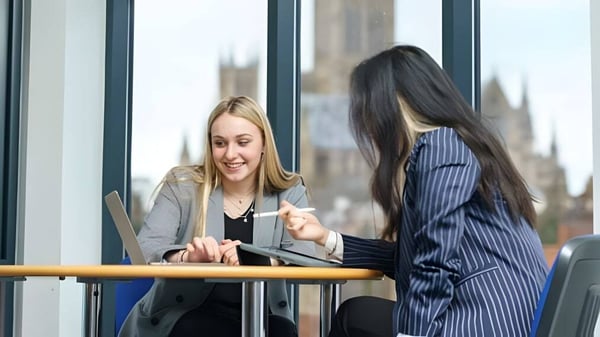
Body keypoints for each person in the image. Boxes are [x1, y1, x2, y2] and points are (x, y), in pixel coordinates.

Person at [279, 45, 549, 337]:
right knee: (357, 313)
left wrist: (413, 335)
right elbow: (420, 252)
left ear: (393, 106)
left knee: (354, 315)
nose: (369, 127)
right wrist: (324, 237)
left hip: (482, 321)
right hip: (498, 319)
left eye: (368, 111)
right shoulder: (460, 144)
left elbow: (435, 257)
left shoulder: (441, 146)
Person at [118, 95, 314, 337]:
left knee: (282, 332)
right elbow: (144, 248)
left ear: (263, 144)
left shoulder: (290, 190)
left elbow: (305, 255)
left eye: (243, 142)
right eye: (220, 143)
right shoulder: (182, 186)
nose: (230, 154)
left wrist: (256, 259)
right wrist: (186, 257)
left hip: (264, 317)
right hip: (184, 314)